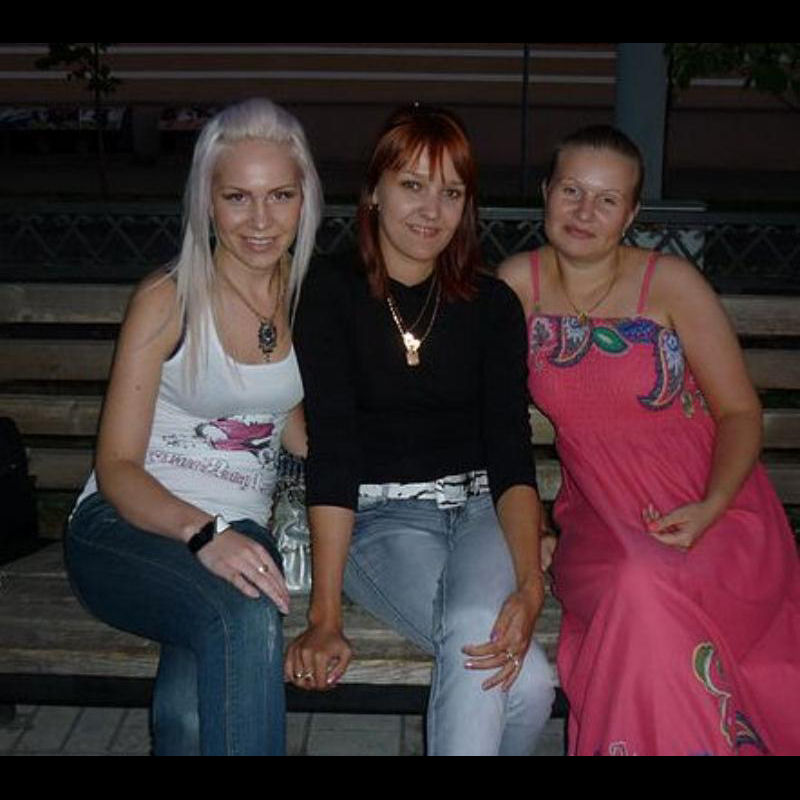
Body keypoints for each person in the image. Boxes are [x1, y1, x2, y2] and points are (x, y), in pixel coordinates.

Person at [499, 124, 800, 756]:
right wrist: (534, 531)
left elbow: (740, 412)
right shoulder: (517, 286)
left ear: (631, 214)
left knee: (647, 589)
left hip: (714, 509)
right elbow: (489, 422)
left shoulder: (671, 284)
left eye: (607, 200)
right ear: (546, 193)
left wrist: (711, 507)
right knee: (637, 580)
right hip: (599, 519)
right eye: (572, 191)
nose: (585, 212)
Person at [285, 104, 555, 756]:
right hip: (381, 522)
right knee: (528, 685)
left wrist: (531, 585)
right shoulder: (330, 292)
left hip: (483, 511)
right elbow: (334, 450)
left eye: (451, 192)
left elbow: (510, 452)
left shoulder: (491, 306)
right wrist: (324, 617)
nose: (432, 210)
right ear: (374, 191)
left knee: (519, 676)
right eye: (412, 185)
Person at [65, 98, 323, 756]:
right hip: (126, 528)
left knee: (188, 719)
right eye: (238, 197)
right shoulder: (168, 299)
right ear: (207, 201)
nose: (261, 221)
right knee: (246, 612)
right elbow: (117, 466)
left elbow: (298, 430)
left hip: (240, 531)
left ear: (305, 201)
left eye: (280, 196)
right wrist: (203, 533)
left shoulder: (308, 300)